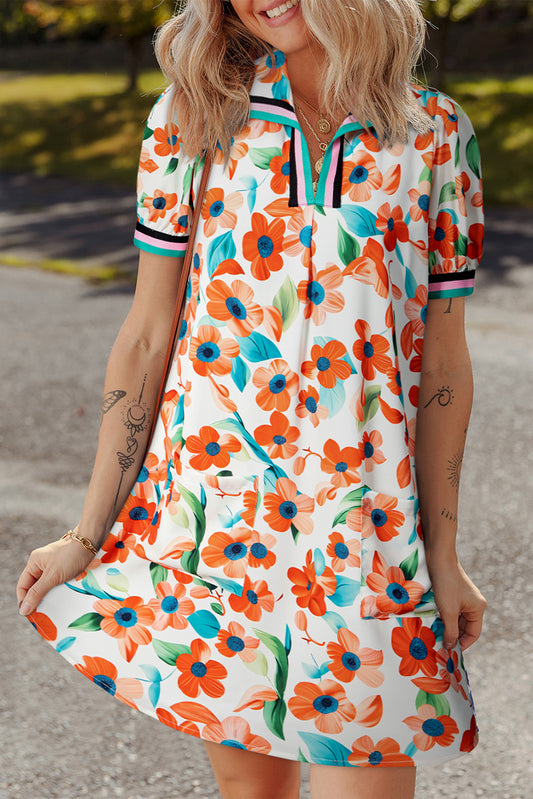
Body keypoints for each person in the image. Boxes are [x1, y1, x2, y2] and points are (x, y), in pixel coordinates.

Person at [17, 1, 487, 797]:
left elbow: (440, 366)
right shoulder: (193, 113)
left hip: (363, 538)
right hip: (217, 527)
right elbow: (145, 335)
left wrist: (441, 556)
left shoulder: (436, 134)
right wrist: (86, 530)